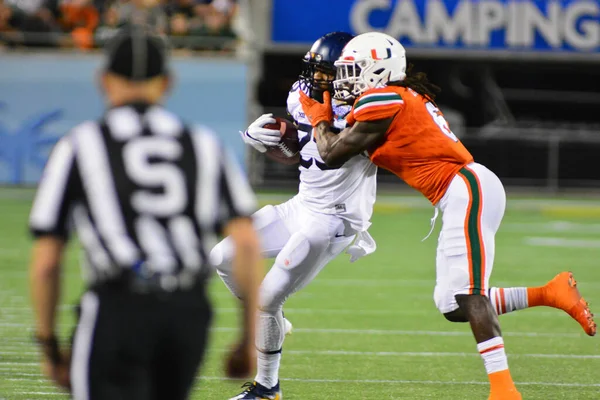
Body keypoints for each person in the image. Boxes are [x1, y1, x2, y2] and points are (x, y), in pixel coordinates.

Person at [298, 31, 597, 400]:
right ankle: (551, 293)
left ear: (376, 71)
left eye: (351, 71)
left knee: (470, 296)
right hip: (458, 192)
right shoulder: (393, 98)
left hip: (465, 188)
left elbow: (330, 153)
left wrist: (318, 118)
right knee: (452, 305)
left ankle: (504, 391)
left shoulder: (383, 98)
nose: (343, 80)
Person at [28, 28, 262, 400]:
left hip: (118, 307)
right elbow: (247, 243)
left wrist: (48, 344)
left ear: (103, 80)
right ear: (167, 83)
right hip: (187, 314)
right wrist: (249, 339)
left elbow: (46, 261)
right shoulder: (203, 145)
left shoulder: (82, 144)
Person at [210, 31, 378, 400]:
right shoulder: (302, 96)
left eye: (326, 72)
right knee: (222, 256)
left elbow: (334, 153)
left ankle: (268, 387)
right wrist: (268, 142)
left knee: (268, 298)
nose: (317, 79)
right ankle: (272, 323)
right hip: (303, 205)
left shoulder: (370, 108)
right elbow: (302, 155)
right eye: (314, 70)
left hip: (334, 219)